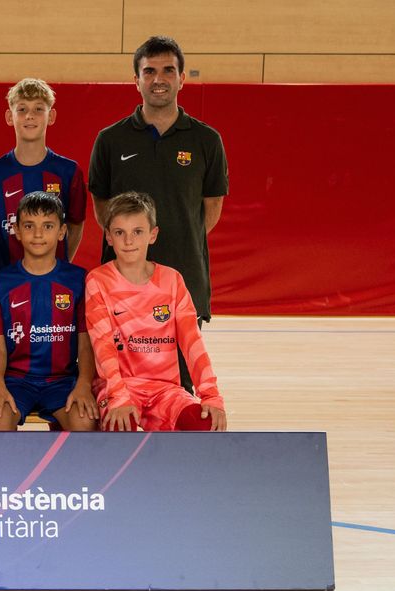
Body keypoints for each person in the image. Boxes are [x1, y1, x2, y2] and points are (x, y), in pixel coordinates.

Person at [88, 35, 228, 387]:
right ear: (136, 80)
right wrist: (134, 247)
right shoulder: (110, 140)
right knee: (119, 389)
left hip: (184, 275)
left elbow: (210, 210)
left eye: (168, 70)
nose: (158, 79)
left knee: (179, 390)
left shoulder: (206, 140)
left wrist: (176, 239)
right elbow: (102, 209)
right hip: (122, 283)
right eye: (149, 71)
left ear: (182, 78)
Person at [86, 192, 226, 432]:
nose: (128, 240)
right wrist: (118, 395)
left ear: (153, 234)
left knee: (204, 423)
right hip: (118, 388)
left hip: (165, 391)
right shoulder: (98, 281)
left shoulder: (172, 280)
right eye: (119, 232)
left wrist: (211, 395)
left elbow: (192, 342)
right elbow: (102, 347)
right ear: (108, 236)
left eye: (137, 232)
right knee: (121, 425)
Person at [0, 192, 97, 432]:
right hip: (16, 380)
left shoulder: (79, 279)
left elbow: (86, 343)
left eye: (48, 226)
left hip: (63, 380)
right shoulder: (0, 282)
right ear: (17, 230)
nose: (38, 234)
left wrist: (84, 384)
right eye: (29, 226)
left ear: (62, 231)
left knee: (84, 421)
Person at [0, 78, 86, 273]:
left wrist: (54, 265)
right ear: (9, 117)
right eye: (22, 109)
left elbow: (75, 224)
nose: (30, 116)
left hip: (53, 279)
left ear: (51, 116)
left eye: (38, 109)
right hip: (4, 279)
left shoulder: (69, 171)